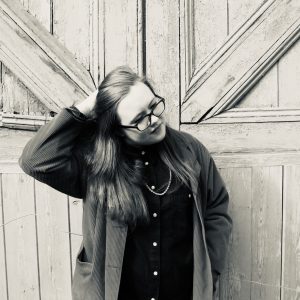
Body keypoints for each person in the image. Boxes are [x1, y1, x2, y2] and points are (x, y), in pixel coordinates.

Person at [19, 65, 232, 300]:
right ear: (117, 130)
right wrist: (88, 107)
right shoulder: (95, 163)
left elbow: (216, 209)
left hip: (180, 292)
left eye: (154, 106)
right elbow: (35, 160)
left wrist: (208, 270)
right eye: (139, 119)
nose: (153, 120)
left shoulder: (190, 150)